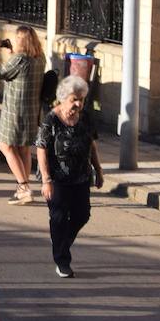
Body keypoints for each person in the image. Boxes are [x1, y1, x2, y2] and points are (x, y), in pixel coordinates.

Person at [35, 75, 104, 278]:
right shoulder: (51, 120)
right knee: (58, 218)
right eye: (74, 99)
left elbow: (91, 143)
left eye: (81, 99)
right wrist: (46, 180)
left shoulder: (86, 118)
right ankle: (62, 261)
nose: (78, 103)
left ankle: (60, 242)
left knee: (82, 214)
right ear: (62, 98)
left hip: (81, 177)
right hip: (57, 179)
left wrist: (98, 170)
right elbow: (41, 149)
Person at [0, 26, 46, 205]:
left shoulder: (20, 59)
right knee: (23, 148)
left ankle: (23, 187)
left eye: (16, 38)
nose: (13, 41)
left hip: (14, 112)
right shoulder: (39, 58)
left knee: (6, 147)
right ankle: (24, 188)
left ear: (21, 41)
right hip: (32, 111)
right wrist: (11, 50)